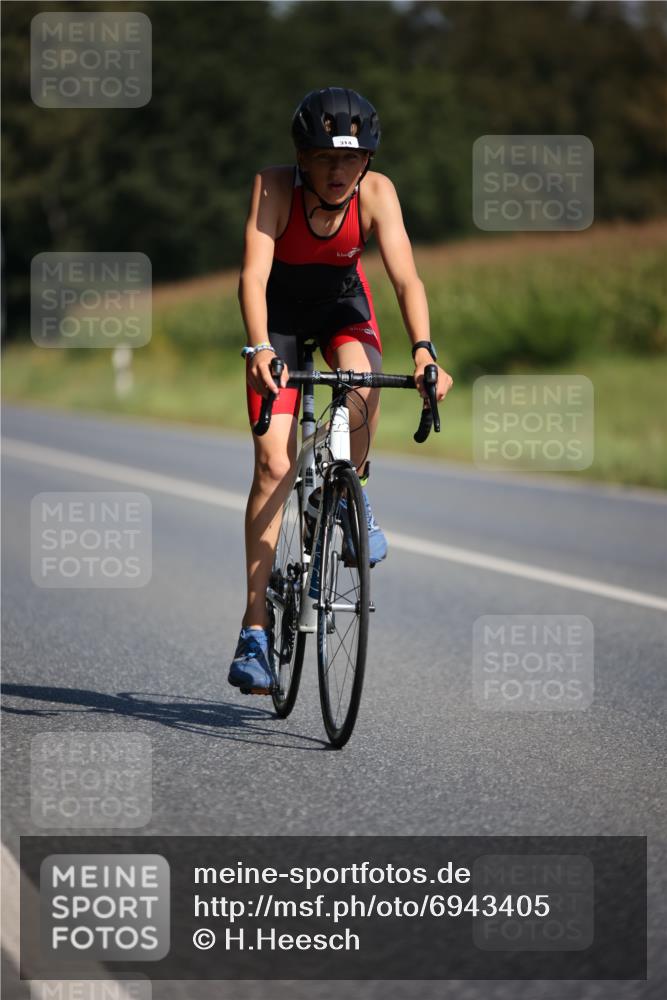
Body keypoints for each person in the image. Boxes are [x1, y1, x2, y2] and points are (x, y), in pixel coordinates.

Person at [229, 86, 453, 694]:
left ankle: (351, 493)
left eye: (350, 160)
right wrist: (259, 348)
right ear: (302, 158)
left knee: (360, 378)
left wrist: (426, 350)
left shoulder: (377, 195)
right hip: (277, 322)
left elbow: (405, 277)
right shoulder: (273, 188)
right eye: (325, 158)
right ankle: (254, 631)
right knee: (274, 466)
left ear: (367, 163)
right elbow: (252, 274)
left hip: (342, 310)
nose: (337, 171)